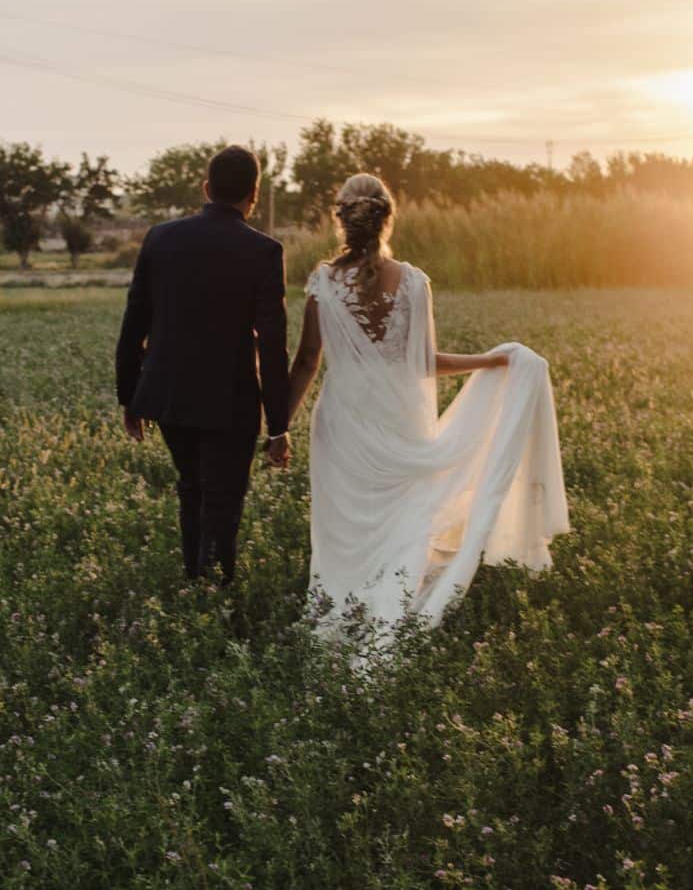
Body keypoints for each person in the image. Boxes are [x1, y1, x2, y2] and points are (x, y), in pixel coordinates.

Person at [281, 172, 568, 645]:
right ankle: (392, 600)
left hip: (343, 424)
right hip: (400, 422)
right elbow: (426, 363)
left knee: (343, 524)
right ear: (388, 219)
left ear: (341, 220)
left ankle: (344, 605)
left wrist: (279, 427)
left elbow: (307, 361)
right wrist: (491, 361)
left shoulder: (322, 283)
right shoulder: (413, 282)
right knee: (405, 515)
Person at [114, 145, 292, 584]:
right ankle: (213, 590)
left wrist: (130, 397)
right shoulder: (264, 251)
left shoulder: (160, 238)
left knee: (192, 487)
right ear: (254, 194)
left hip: (168, 394)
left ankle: (197, 582)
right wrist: (278, 425)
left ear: (206, 188)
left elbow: (134, 321)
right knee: (222, 499)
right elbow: (273, 345)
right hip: (229, 400)